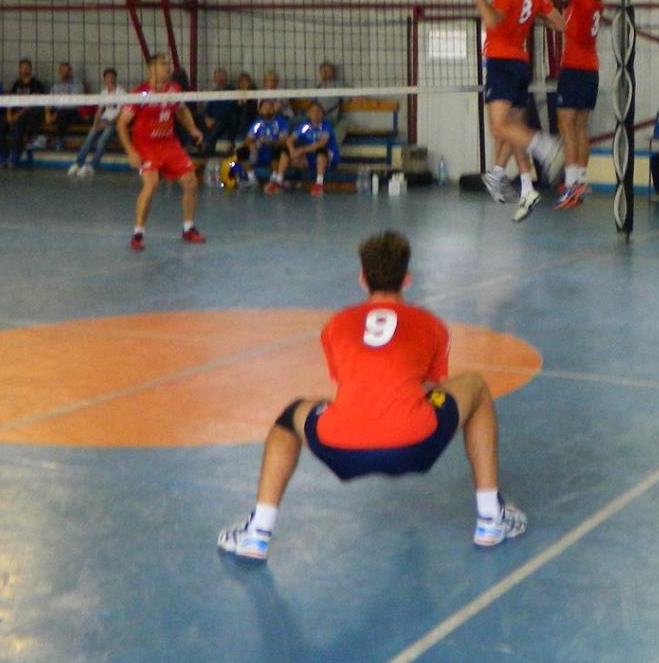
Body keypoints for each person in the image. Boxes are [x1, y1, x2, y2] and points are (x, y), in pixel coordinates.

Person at [217, 230, 526, 562]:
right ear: (407, 279)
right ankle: (490, 518)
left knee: (288, 420)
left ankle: (257, 534)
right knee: (475, 385)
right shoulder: (431, 325)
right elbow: (430, 388)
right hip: (416, 445)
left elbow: (351, 383)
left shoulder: (336, 325)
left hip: (341, 446)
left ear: (362, 278)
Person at [471, 0, 565, 221]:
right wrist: (537, 14)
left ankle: (546, 147)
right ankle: (524, 187)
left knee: (499, 128)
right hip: (521, 65)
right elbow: (560, 24)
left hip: (501, 63)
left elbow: (491, 20)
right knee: (513, 130)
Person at [550, 0, 615, 210]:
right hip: (590, 71)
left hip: (575, 70)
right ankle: (580, 182)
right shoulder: (594, 2)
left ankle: (572, 184)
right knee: (580, 127)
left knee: (567, 125)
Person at [117, 52, 204, 251]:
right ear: (152, 69)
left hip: (169, 144)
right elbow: (121, 124)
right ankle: (138, 233)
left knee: (191, 182)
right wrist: (130, 152)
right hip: (146, 146)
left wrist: (192, 129)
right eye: (163, 64)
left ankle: (188, 228)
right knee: (151, 184)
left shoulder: (174, 89)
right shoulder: (140, 93)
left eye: (167, 63)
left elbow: (181, 110)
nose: (167, 67)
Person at [67, 68, 120, 177]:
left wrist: (107, 123)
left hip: (114, 122)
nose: (109, 79)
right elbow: (99, 112)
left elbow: (121, 114)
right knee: (90, 138)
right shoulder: (103, 93)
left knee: (102, 140)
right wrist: (96, 125)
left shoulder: (121, 93)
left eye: (111, 77)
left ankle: (92, 166)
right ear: (104, 79)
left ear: (115, 78)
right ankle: (78, 163)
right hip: (103, 121)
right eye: (107, 77)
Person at [233, 99, 292, 191]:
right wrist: (251, 144)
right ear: (260, 110)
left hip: (274, 152)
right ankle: (252, 178)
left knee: (277, 148)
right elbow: (247, 140)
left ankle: (275, 178)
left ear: (273, 109)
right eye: (264, 107)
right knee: (241, 151)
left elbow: (283, 140)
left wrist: (269, 142)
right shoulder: (257, 123)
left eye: (270, 107)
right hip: (259, 153)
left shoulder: (280, 122)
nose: (267, 110)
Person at [1, 58, 46, 167]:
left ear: (30, 69)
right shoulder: (17, 84)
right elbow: (11, 100)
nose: (25, 70)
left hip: (30, 112)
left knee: (19, 123)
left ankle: (15, 156)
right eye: (23, 68)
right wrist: (9, 113)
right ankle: (2, 155)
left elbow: (33, 104)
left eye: (27, 68)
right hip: (16, 113)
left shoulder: (36, 84)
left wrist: (17, 115)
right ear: (19, 69)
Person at [288, 100, 339, 196]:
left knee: (320, 152)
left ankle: (319, 184)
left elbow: (321, 143)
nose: (316, 114)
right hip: (310, 156)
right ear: (308, 114)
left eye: (318, 112)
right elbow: (290, 140)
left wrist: (302, 150)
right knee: (289, 155)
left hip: (328, 158)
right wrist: (292, 151)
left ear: (323, 114)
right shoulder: (305, 127)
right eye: (313, 111)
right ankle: (283, 180)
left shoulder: (326, 125)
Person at [43, 61, 82, 149]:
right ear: (59, 71)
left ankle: (59, 140)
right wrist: (47, 112)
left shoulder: (77, 83)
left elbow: (75, 103)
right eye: (62, 70)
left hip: (72, 112)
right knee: (38, 112)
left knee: (63, 114)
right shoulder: (56, 84)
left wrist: (56, 114)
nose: (64, 72)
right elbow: (49, 100)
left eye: (66, 70)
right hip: (57, 111)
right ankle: (40, 138)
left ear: (70, 71)